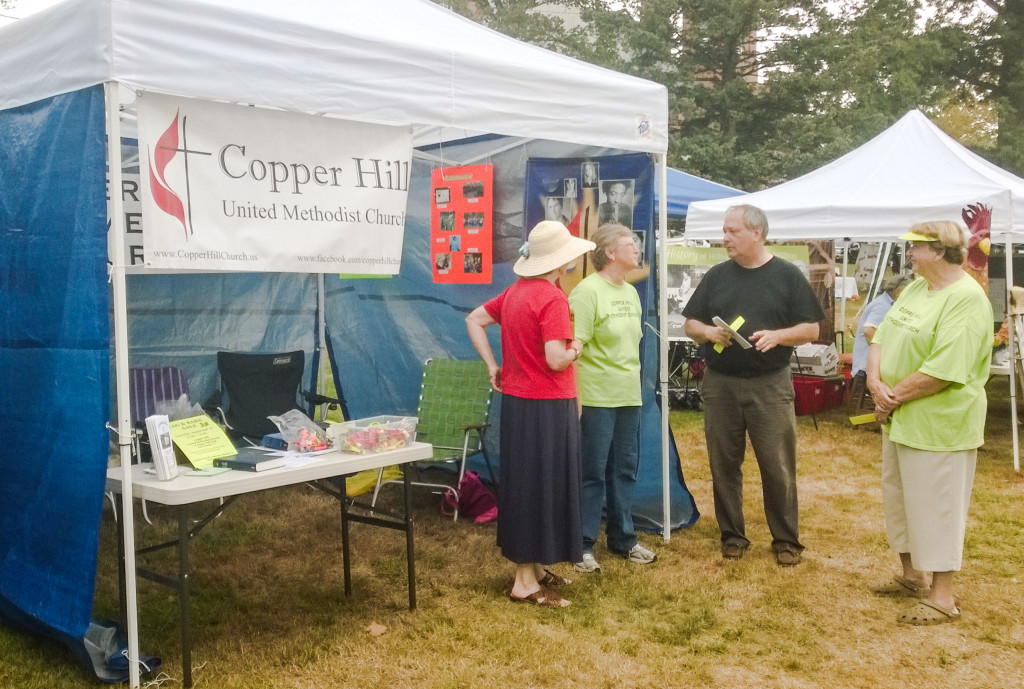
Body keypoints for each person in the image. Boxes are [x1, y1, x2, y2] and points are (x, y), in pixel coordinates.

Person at [683, 204, 824, 566]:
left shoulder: (787, 276)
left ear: (756, 233)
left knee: (777, 465)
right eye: (724, 231)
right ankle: (732, 536)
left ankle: (786, 539)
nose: (724, 238)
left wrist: (779, 335)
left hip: (770, 385)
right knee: (723, 464)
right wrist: (709, 332)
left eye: (732, 231)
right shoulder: (717, 276)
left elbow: (811, 329)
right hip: (721, 384)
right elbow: (690, 324)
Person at [866, 221, 992, 625]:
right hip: (901, 419)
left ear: (939, 251)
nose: (910, 253)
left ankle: (943, 597)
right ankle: (911, 575)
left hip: (941, 425)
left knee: (937, 506)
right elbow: (880, 336)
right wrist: (873, 381)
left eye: (916, 247)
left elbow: (946, 368)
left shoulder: (967, 299)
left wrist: (891, 397)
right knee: (900, 500)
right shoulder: (917, 288)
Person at [465, 220, 595, 608]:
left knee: (526, 483)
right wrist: (577, 350)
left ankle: (534, 568)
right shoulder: (553, 299)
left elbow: (474, 319)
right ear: (562, 261)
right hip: (547, 409)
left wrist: (492, 366)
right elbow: (556, 360)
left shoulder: (514, 293)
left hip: (519, 407)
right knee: (542, 486)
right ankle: (524, 581)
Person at [568, 224, 655, 573]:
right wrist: (575, 397)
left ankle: (624, 539)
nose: (636, 249)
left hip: (627, 396)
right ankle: (583, 544)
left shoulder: (631, 293)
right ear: (610, 253)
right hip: (596, 396)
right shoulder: (586, 292)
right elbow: (573, 349)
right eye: (629, 245)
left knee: (623, 469)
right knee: (592, 471)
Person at [851, 274, 913, 376]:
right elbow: (868, 330)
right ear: (899, 291)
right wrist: (887, 352)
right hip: (866, 371)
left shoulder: (887, 303)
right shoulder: (882, 306)